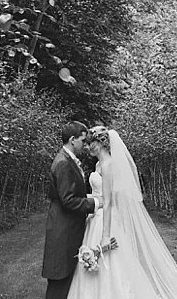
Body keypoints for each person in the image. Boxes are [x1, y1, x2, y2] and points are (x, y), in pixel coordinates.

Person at [66, 126, 177, 299]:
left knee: (113, 265)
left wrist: (105, 235)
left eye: (91, 143)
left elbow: (109, 202)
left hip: (106, 221)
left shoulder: (109, 165)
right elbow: (100, 194)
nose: (88, 147)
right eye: (87, 143)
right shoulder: (98, 164)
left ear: (100, 143)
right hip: (96, 218)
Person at [43, 121, 101, 299]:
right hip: (63, 228)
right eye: (83, 141)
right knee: (60, 277)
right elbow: (68, 200)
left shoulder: (68, 159)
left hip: (67, 225)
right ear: (72, 139)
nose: (85, 145)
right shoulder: (63, 163)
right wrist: (96, 203)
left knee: (66, 277)